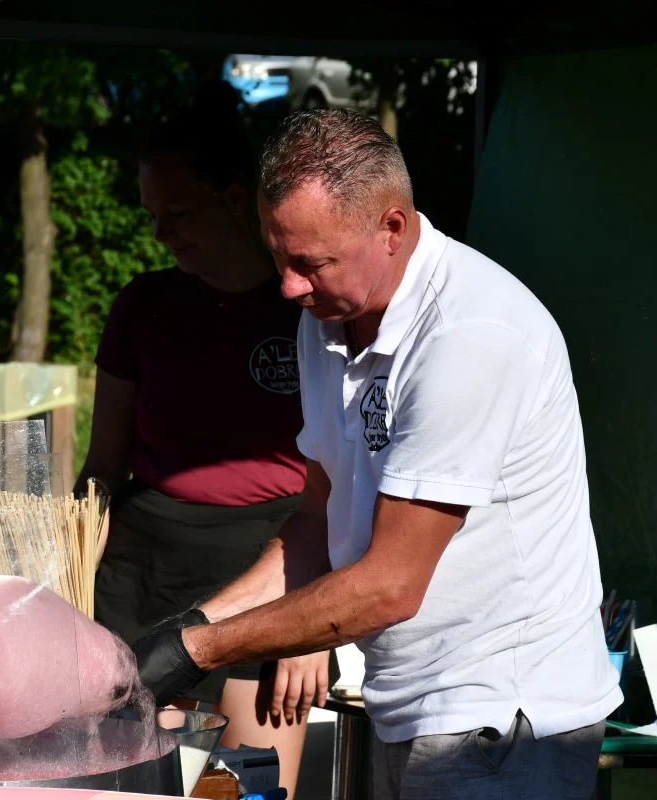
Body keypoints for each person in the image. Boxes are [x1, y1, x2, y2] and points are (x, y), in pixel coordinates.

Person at [132, 109, 623, 799]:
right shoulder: (328, 316)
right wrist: (188, 630)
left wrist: (201, 650)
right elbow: (317, 520)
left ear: (391, 228)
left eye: (310, 262)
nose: (288, 286)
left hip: (503, 719)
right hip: (416, 703)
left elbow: (391, 583)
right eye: (278, 256)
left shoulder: (469, 333)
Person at [73, 83, 336, 799]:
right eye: (152, 216)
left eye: (179, 213)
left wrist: (317, 624)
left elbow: (345, 492)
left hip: (270, 562)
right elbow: (101, 469)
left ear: (233, 196)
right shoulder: (143, 306)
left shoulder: (311, 306)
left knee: (245, 788)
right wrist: (66, 572)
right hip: (144, 569)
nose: (162, 233)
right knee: (131, 785)